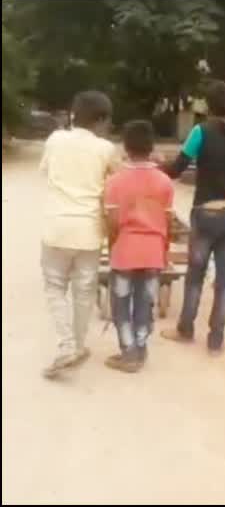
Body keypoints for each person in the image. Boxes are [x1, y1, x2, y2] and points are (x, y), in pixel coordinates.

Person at [160, 81, 225, 354]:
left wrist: (155, 166)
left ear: (208, 106)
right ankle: (216, 339)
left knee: (196, 274)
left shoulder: (200, 131)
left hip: (206, 211)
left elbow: (178, 168)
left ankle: (185, 329)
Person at [39, 91, 121, 379]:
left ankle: (66, 345)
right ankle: (78, 344)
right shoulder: (106, 149)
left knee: (54, 287)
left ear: (74, 114)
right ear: (100, 120)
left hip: (56, 227)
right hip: (88, 231)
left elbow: (45, 172)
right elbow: (116, 182)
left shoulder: (55, 140)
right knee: (84, 288)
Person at [103, 121, 174, 372]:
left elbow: (112, 223)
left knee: (121, 304)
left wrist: (113, 244)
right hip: (154, 251)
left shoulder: (115, 181)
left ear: (125, 147)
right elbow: (168, 221)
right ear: (151, 146)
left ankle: (129, 353)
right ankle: (141, 348)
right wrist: (164, 248)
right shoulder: (165, 182)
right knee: (145, 302)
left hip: (125, 251)